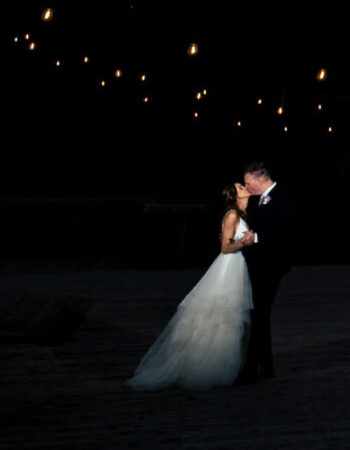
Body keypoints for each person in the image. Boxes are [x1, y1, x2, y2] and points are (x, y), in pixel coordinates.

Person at [126, 183, 254, 390]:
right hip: (229, 264)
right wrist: (246, 243)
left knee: (229, 317)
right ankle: (208, 365)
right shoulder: (232, 215)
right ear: (234, 194)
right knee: (222, 314)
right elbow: (225, 247)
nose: (244, 187)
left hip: (238, 265)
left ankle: (221, 363)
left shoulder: (243, 213)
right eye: (240, 186)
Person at [238, 161, 296, 382]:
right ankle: (266, 365)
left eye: (248, 182)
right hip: (258, 265)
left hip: (271, 266)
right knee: (259, 315)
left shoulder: (282, 198)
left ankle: (252, 368)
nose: (247, 186)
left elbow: (287, 232)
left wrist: (258, 238)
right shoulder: (259, 200)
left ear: (260, 178)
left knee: (259, 314)